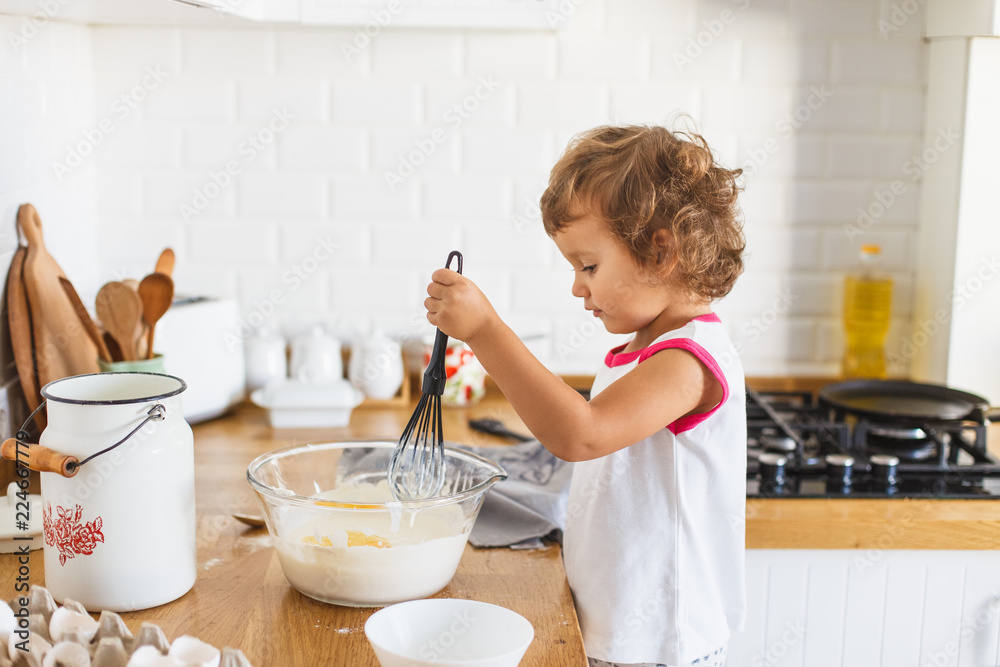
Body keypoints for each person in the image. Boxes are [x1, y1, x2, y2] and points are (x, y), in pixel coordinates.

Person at [425, 124, 747, 667]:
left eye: (589, 266)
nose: (578, 286)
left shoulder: (689, 359)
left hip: (660, 643)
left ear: (661, 249)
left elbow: (582, 433)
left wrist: (484, 331)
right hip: (619, 631)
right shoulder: (644, 348)